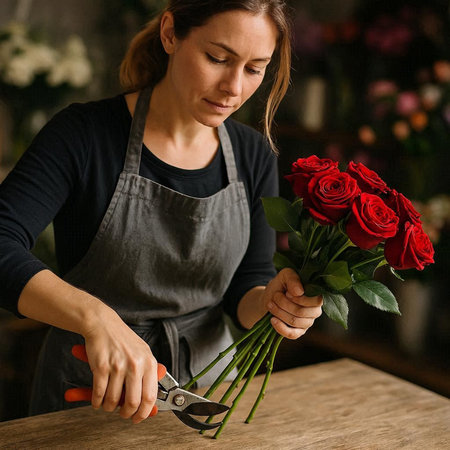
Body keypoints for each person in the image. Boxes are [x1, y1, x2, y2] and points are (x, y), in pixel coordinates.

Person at [0, 0, 323, 424]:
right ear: (170, 33)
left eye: (254, 68)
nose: (233, 87)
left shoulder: (253, 154)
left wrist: (272, 302)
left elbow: (247, 285)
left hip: (210, 389)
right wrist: (96, 318)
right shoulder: (82, 136)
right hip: (93, 390)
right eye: (218, 58)